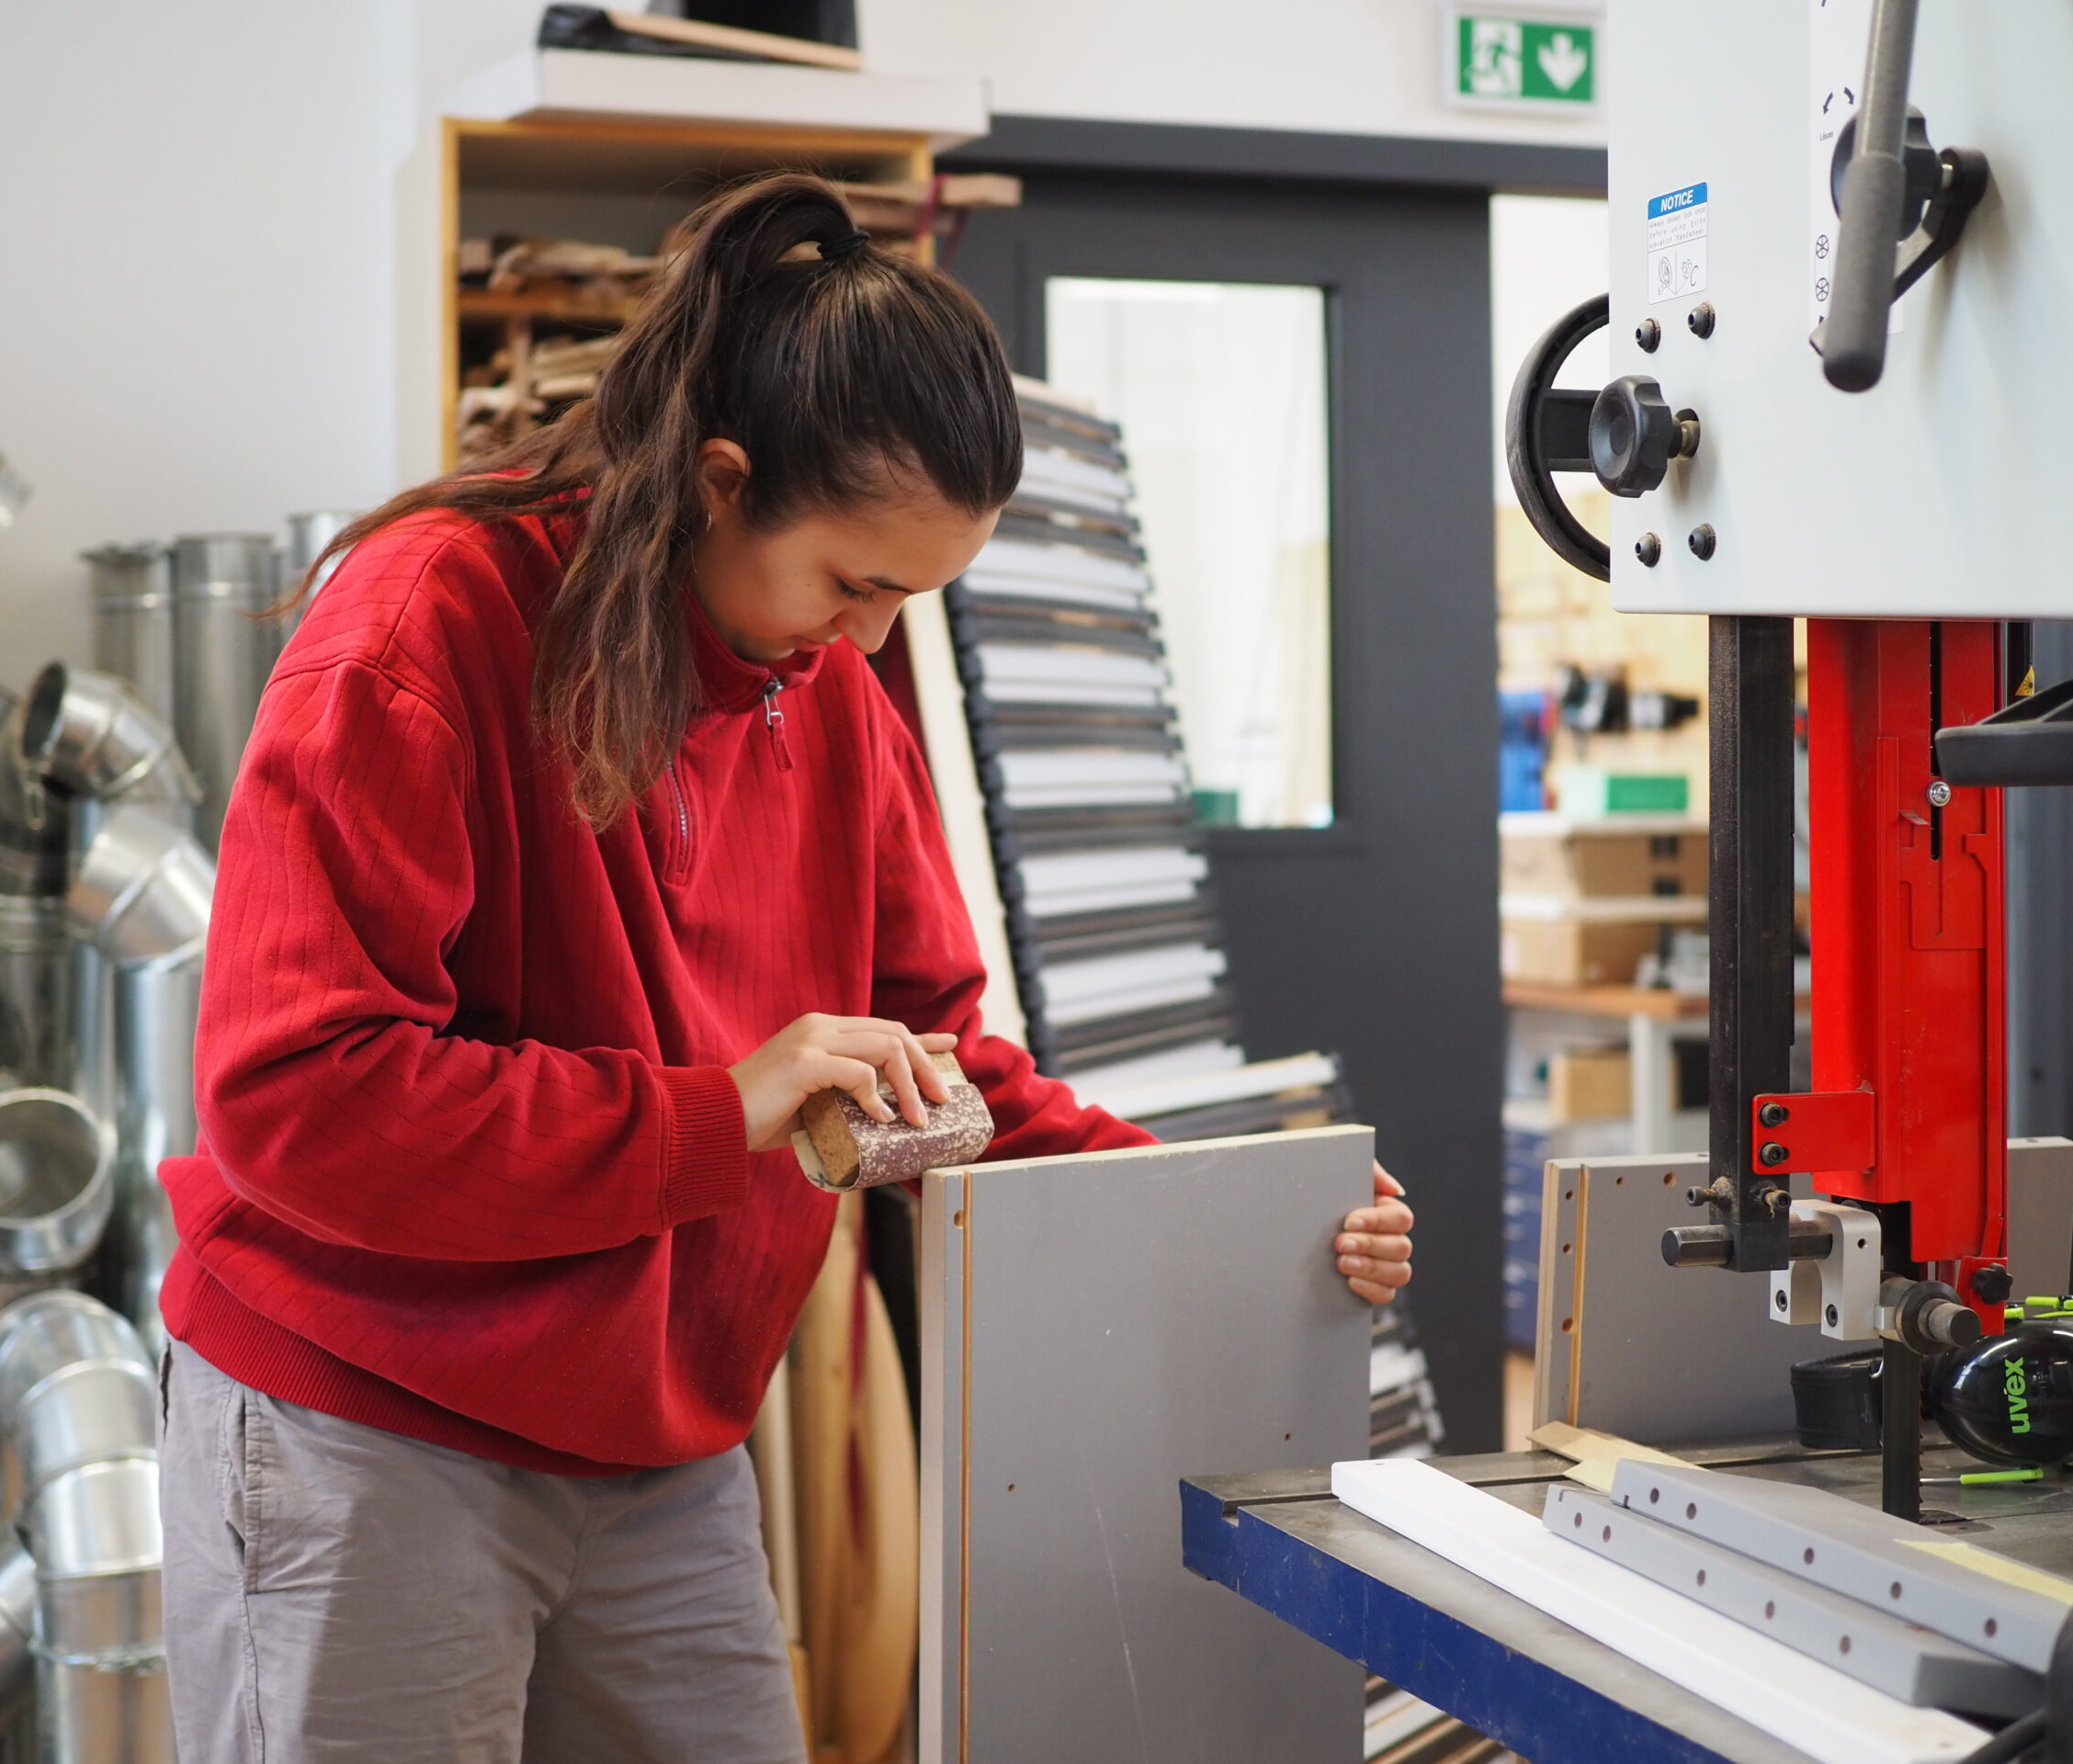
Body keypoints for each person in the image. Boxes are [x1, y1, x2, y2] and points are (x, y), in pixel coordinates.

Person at [155, 172, 1416, 1764]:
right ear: (717, 481)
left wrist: (1237, 1216)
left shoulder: (815, 685)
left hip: (657, 1443)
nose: (874, 644)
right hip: (367, 1428)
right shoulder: (425, 636)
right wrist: (720, 1112)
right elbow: (297, 1102)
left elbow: (936, 1062)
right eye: (856, 584)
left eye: (910, 602)